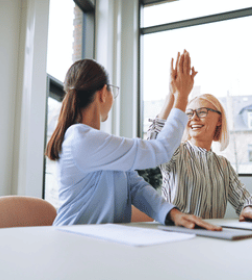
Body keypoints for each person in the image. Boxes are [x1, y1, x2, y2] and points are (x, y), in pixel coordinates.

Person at [45, 51, 221, 230]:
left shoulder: (95, 143)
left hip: (101, 242)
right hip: (71, 242)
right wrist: (182, 97)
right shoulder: (81, 139)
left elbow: (135, 186)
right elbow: (161, 150)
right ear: (102, 94)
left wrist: (174, 215)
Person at [147, 59, 252, 221]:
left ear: (219, 119)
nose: (193, 118)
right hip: (173, 236)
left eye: (202, 112)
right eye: (189, 113)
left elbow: (243, 198)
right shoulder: (176, 152)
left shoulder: (222, 164)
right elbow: (154, 143)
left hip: (208, 238)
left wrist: (247, 208)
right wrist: (172, 96)